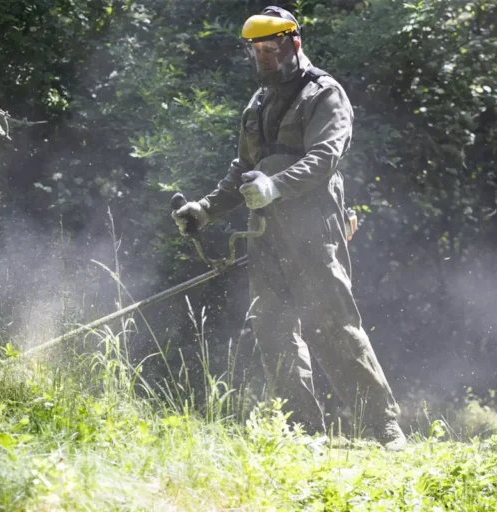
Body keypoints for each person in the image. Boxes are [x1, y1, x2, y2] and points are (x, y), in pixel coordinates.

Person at [172, 6, 406, 451]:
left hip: (314, 227)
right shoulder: (257, 104)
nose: (263, 56)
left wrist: (276, 185)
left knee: (332, 326)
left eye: (271, 46)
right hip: (265, 231)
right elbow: (242, 170)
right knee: (272, 327)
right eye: (256, 49)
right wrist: (205, 210)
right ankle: (302, 430)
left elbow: (325, 158)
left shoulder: (324, 94)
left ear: (293, 42)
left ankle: (384, 426)